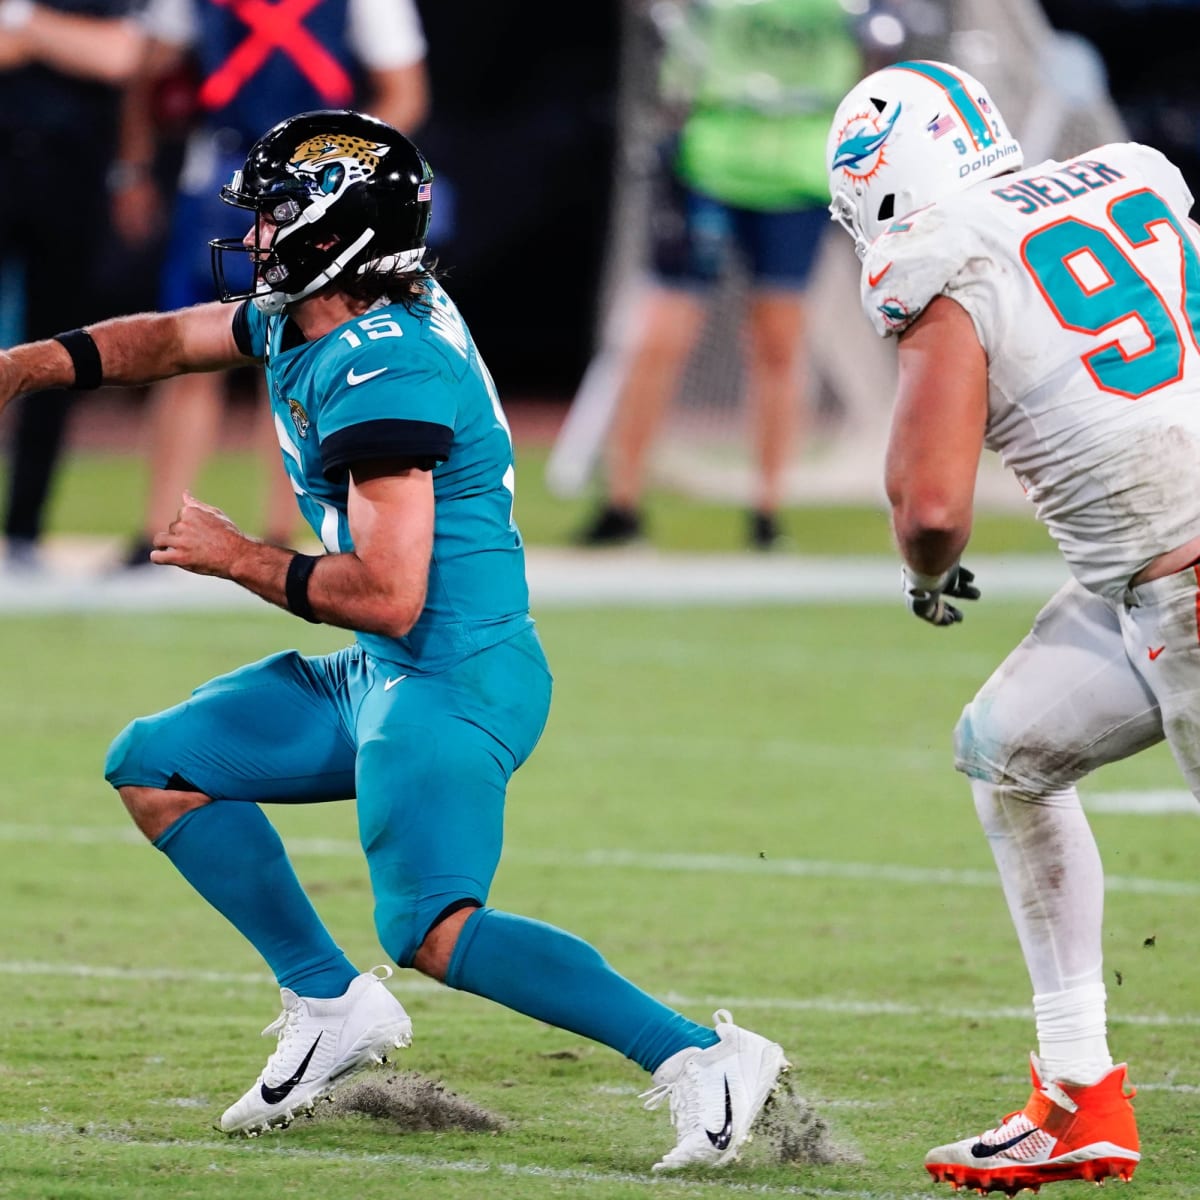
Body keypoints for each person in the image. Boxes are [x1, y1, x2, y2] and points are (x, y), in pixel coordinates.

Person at [0, 108, 788, 1166]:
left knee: (431, 928)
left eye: (277, 216)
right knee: (157, 763)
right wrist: (22, 366)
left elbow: (389, 594)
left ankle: (699, 1055)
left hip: (453, 670)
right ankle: (329, 1006)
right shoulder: (317, 310)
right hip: (386, 670)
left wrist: (238, 555)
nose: (258, 237)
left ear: (336, 234)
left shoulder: (387, 367)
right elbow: (169, 339)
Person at [823, 58, 1200, 1192]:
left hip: (1185, 582)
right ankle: (1080, 1092)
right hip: (1145, 581)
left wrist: (926, 577)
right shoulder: (1129, 175)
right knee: (1008, 752)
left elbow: (930, 507)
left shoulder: (943, 258)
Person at [111, 0, 429, 566]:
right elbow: (152, 69)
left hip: (316, 199)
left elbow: (404, 90)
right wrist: (134, 164)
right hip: (221, 175)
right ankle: (157, 532)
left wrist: (341, 179)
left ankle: (285, 533)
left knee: (302, 358)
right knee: (188, 351)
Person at [577, 0, 861, 551]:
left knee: (779, 342)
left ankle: (768, 512)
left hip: (798, 168)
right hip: (709, 159)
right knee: (661, 336)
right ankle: (622, 503)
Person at [0, 0, 149, 570]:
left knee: (57, 356)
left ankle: (22, 532)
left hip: (70, 177)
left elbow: (118, 54)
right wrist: (60, 40)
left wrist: (21, 23)